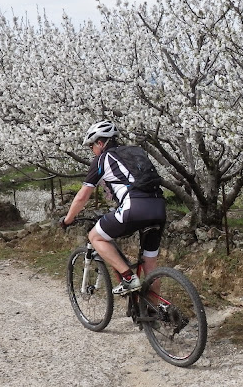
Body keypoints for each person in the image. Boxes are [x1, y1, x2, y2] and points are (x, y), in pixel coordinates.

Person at [60, 120, 166, 295]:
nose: (92, 151)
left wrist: (67, 220)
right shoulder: (136, 152)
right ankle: (153, 316)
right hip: (159, 207)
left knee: (95, 236)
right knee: (150, 266)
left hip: (134, 207)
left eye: (91, 146)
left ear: (100, 143)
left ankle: (128, 277)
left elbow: (82, 196)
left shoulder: (102, 159)